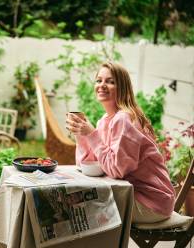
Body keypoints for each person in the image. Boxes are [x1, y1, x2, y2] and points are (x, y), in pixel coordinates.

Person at [66, 61, 175, 224]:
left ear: (122, 88)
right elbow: (89, 166)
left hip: (152, 203)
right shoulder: (104, 121)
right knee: (76, 206)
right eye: (99, 80)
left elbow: (116, 170)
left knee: (84, 211)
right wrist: (82, 135)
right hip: (132, 194)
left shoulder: (123, 119)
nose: (102, 85)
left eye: (110, 81)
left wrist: (92, 135)